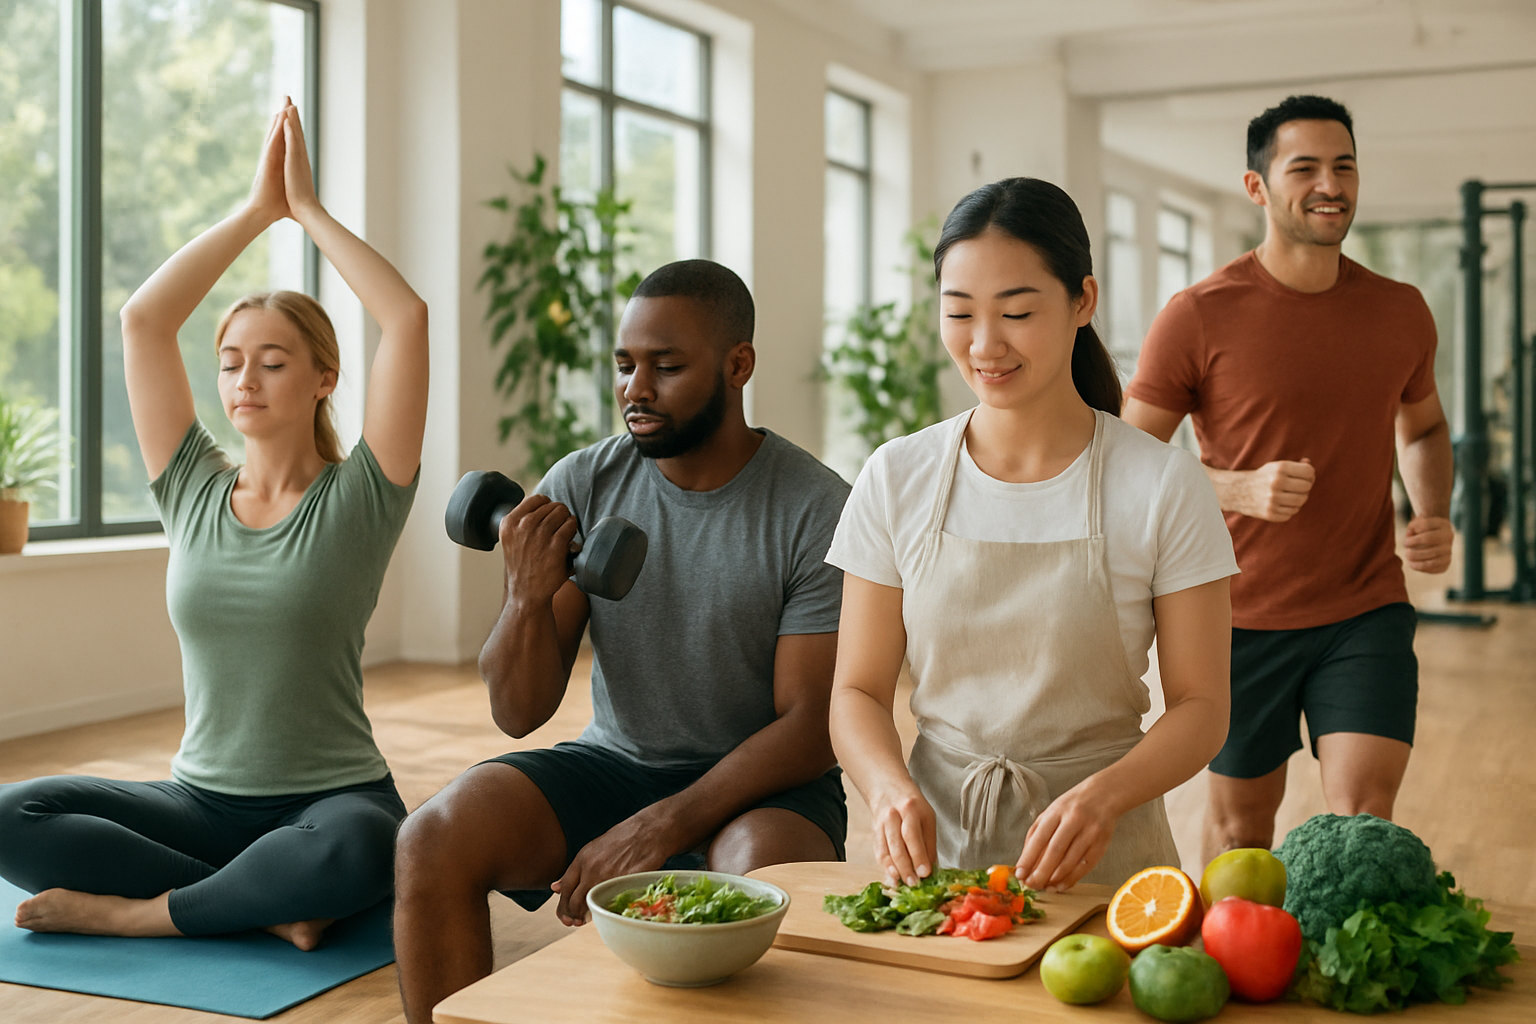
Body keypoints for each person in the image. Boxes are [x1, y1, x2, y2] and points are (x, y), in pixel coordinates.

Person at [0, 99, 429, 950]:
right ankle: (265, 905)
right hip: (198, 804)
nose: (245, 381)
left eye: (273, 363)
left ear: (322, 379)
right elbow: (143, 322)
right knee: (15, 813)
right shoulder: (190, 485)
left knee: (368, 846)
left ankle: (144, 916)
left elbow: (406, 319)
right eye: (231, 363)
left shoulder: (364, 495)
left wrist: (307, 212)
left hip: (329, 801)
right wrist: (253, 212)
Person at [392, 259, 851, 1023]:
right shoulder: (583, 481)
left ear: (738, 365)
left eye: (666, 366)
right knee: (433, 838)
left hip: (765, 787)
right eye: (625, 365)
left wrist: (663, 823)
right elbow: (517, 711)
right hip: (615, 760)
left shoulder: (815, 506)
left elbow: (808, 726)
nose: (637, 389)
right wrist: (526, 597)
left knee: (747, 881)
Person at [827, 178, 1237, 894]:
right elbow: (857, 691)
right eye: (960, 313)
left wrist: (1104, 796)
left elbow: (1202, 708)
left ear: (1083, 301)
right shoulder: (896, 476)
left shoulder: (1162, 484)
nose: (986, 344)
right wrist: (889, 789)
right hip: (936, 870)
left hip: (1108, 864)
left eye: (1017, 311)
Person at [1122, 95, 1454, 863]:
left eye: (1343, 166)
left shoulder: (1400, 310)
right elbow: (1127, 461)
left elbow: (1425, 425)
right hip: (1234, 618)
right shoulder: (1198, 314)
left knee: (1366, 821)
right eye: (1303, 167)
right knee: (1242, 834)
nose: (1328, 184)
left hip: (1364, 605)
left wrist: (1432, 507)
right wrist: (1235, 489)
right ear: (1257, 187)